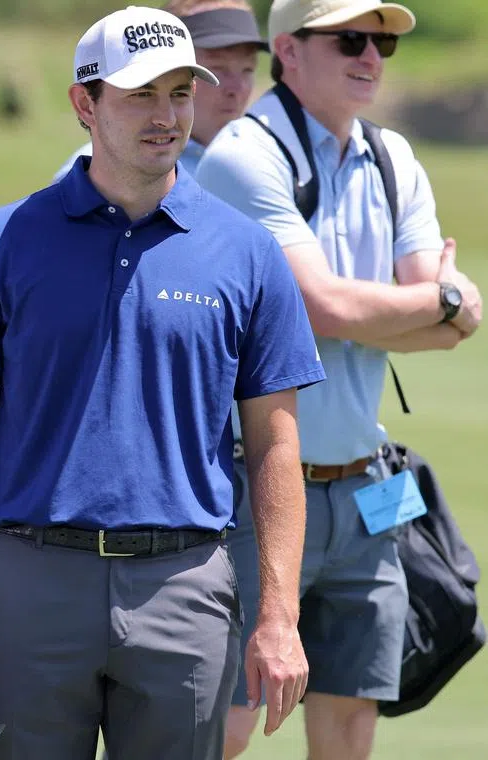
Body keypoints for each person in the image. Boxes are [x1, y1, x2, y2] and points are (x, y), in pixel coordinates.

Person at [0, 6, 324, 758]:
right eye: (141, 94)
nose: (167, 116)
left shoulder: (248, 254)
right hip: (30, 582)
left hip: (184, 586)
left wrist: (278, 616)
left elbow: (275, 445)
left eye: (181, 92)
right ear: (84, 103)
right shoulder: (0, 242)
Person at [195, 1, 483, 758]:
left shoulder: (394, 157)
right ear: (288, 49)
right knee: (224, 724)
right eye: (351, 39)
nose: (372, 58)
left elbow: (443, 329)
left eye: (382, 42)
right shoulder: (244, 154)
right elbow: (325, 305)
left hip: (368, 491)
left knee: (351, 722)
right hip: (252, 486)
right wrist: (436, 300)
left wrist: (418, 307)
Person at [53, 0, 267, 181]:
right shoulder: (89, 176)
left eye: (248, 69)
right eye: (218, 68)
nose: (237, 88)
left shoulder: (268, 159)